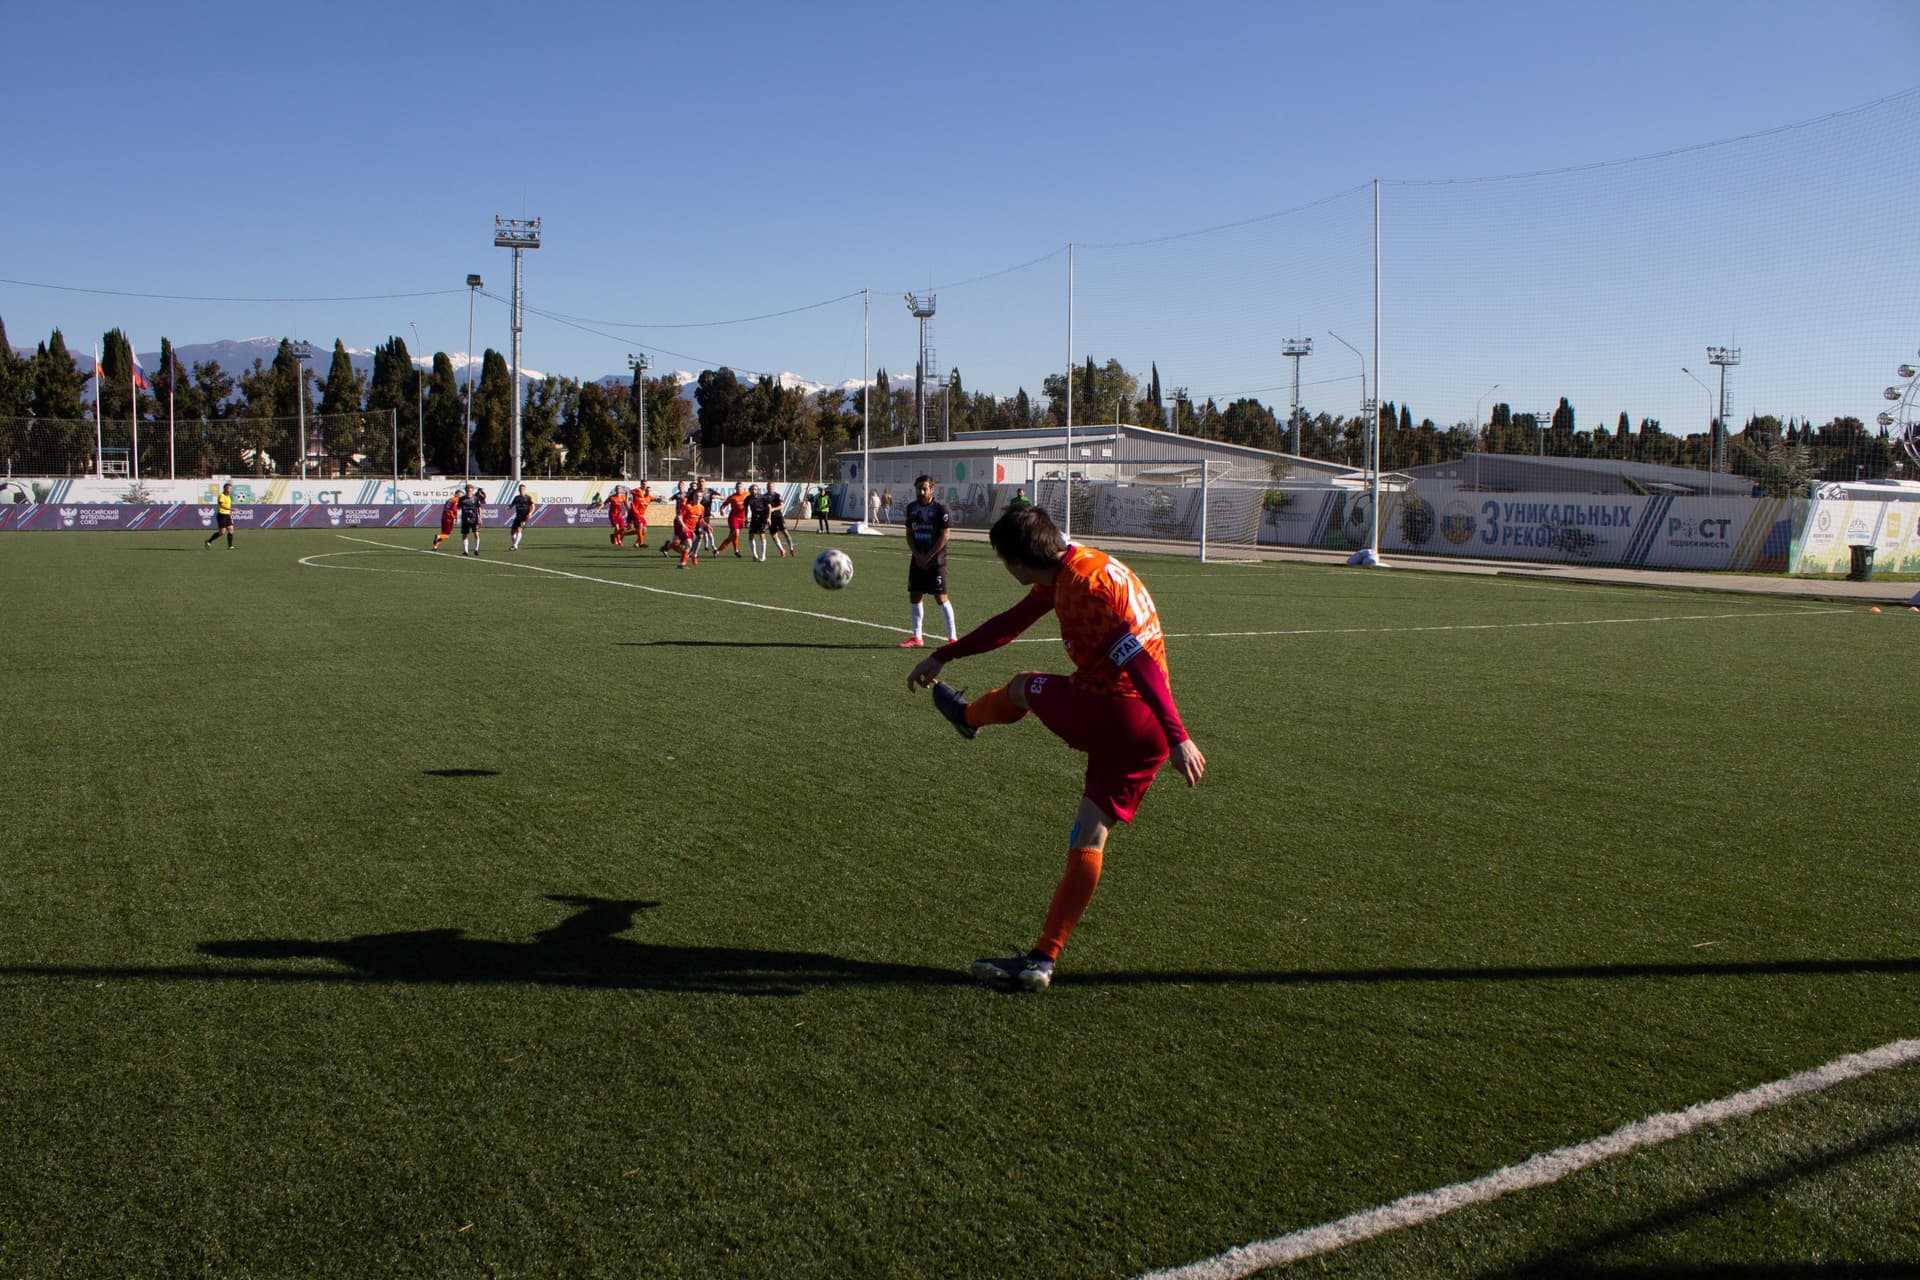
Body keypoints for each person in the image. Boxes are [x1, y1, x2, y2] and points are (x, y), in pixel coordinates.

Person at [906, 505, 1206, 993]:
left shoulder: (1082, 590)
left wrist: (1181, 734)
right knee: (1090, 834)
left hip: (1118, 713)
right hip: (1144, 731)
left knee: (1025, 686)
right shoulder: (1077, 563)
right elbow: (1011, 623)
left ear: (1015, 562)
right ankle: (1042, 960)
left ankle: (966, 718)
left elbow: (1137, 662)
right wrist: (946, 651)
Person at [898, 474, 956, 649]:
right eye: (919, 488)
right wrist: (917, 554)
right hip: (917, 559)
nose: (921, 491)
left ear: (932, 489)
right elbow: (909, 534)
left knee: (940, 597)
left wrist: (929, 556)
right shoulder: (911, 508)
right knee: (915, 595)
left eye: (925, 488)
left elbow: (945, 535)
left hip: (936, 560)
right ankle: (917, 637)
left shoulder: (941, 509)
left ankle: (953, 638)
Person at [674, 485, 706, 568]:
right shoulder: (688, 506)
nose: (698, 498)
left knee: (684, 547)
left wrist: (707, 525)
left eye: (700, 496)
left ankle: (671, 547)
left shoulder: (701, 508)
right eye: (696, 496)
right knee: (689, 545)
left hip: (691, 529)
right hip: (685, 528)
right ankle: (682, 563)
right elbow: (679, 516)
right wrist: (683, 525)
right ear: (693, 497)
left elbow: (700, 520)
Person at [716, 482, 749, 557]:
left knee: (732, 536)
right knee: (736, 533)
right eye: (737, 487)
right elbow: (724, 504)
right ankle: (735, 551)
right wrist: (721, 510)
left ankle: (718, 550)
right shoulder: (732, 497)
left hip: (742, 519)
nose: (739, 488)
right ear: (735, 488)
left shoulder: (747, 495)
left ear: (743, 488)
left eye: (740, 487)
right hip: (733, 518)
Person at [204, 481, 235, 548]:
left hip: (227, 515)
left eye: (230, 488)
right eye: (228, 488)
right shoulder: (221, 495)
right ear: (224, 489)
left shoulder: (228, 496)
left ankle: (230, 546)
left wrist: (229, 511)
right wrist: (231, 509)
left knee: (231, 529)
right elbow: (222, 505)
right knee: (222, 532)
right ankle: (209, 541)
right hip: (222, 515)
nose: (229, 490)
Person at [745, 484, 772, 561]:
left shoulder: (763, 498)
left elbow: (769, 507)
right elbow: (745, 508)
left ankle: (763, 555)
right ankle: (754, 554)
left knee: (762, 535)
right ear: (750, 490)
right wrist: (745, 518)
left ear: (758, 490)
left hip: (762, 519)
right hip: (754, 519)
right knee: (751, 536)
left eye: (755, 489)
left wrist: (768, 518)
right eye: (752, 489)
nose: (754, 490)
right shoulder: (748, 498)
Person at [767, 486, 794, 558]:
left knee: (785, 532)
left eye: (771, 487)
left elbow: (782, 506)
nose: (770, 488)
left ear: (774, 488)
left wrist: (773, 509)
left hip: (778, 517)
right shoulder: (764, 497)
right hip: (770, 518)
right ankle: (782, 550)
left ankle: (791, 548)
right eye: (769, 487)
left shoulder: (777, 496)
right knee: (774, 536)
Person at [459, 483, 485, 556]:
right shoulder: (462, 499)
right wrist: (457, 517)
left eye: (470, 491)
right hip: (465, 519)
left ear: (472, 491)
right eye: (467, 491)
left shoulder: (475, 498)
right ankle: (466, 551)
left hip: (474, 519)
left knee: (476, 534)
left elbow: (479, 508)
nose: (469, 492)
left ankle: (476, 549)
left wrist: (480, 517)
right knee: (465, 535)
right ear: (465, 491)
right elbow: (458, 508)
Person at [629, 483, 653, 548]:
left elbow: (655, 499)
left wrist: (660, 499)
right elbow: (630, 493)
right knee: (640, 526)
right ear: (645, 491)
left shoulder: (649, 497)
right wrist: (627, 502)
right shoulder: (639, 495)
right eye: (647, 491)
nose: (649, 492)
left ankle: (636, 543)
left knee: (644, 531)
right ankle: (641, 543)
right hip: (636, 514)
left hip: (642, 516)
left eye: (650, 491)